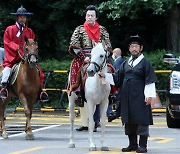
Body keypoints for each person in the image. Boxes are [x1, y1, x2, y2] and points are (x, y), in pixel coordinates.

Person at [99, 35, 157, 153]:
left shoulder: (145, 63)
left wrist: (149, 96)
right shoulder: (125, 63)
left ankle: (142, 145)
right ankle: (132, 144)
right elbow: (117, 78)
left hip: (141, 96)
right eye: (132, 47)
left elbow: (150, 80)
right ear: (129, 49)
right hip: (127, 96)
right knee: (128, 119)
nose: (134, 49)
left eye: (136, 46)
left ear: (140, 48)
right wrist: (106, 76)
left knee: (142, 120)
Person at [68, 5, 112, 131]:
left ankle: (112, 92)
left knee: (110, 69)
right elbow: (74, 45)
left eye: (92, 15)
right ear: (85, 16)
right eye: (88, 15)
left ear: (96, 17)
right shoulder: (79, 29)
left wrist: (103, 56)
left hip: (99, 57)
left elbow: (108, 46)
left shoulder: (102, 30)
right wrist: (83, 58)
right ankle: (76, 90)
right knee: (75, 68)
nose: (90, 17)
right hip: (84, 56)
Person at [0, 6, 48, 102]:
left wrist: (31, 52)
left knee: (39, 71)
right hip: (13, 57)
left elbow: (33, 44)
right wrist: (17, 47)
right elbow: (7, 42)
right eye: (21, 17)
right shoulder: (10, 29)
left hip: (27, 57)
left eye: (24, 17)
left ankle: (40, 91)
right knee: (6, 71)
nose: (22, 19)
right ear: (17, 18)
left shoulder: (30, 31)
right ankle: (4, 89)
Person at [107, 48, 123, 122]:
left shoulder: (118, 62)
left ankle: (116, 113)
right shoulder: (119, 61)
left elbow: (117, 73)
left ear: (115, 53)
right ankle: (116, 113)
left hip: (117, 84)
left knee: (117, 99)